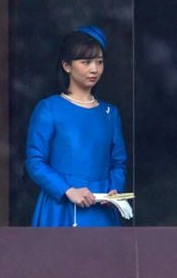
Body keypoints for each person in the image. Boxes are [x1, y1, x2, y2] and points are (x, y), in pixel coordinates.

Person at [25, 25, 127, 227]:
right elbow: (35, 161)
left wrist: (114, 189)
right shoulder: (50, 108)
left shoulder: (109, 113)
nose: (94, 69)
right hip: (60, 207)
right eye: (86, 62)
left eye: (99, 62)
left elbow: (118, 163)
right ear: (66, 66)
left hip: (101, 210)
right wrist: (68, 190)